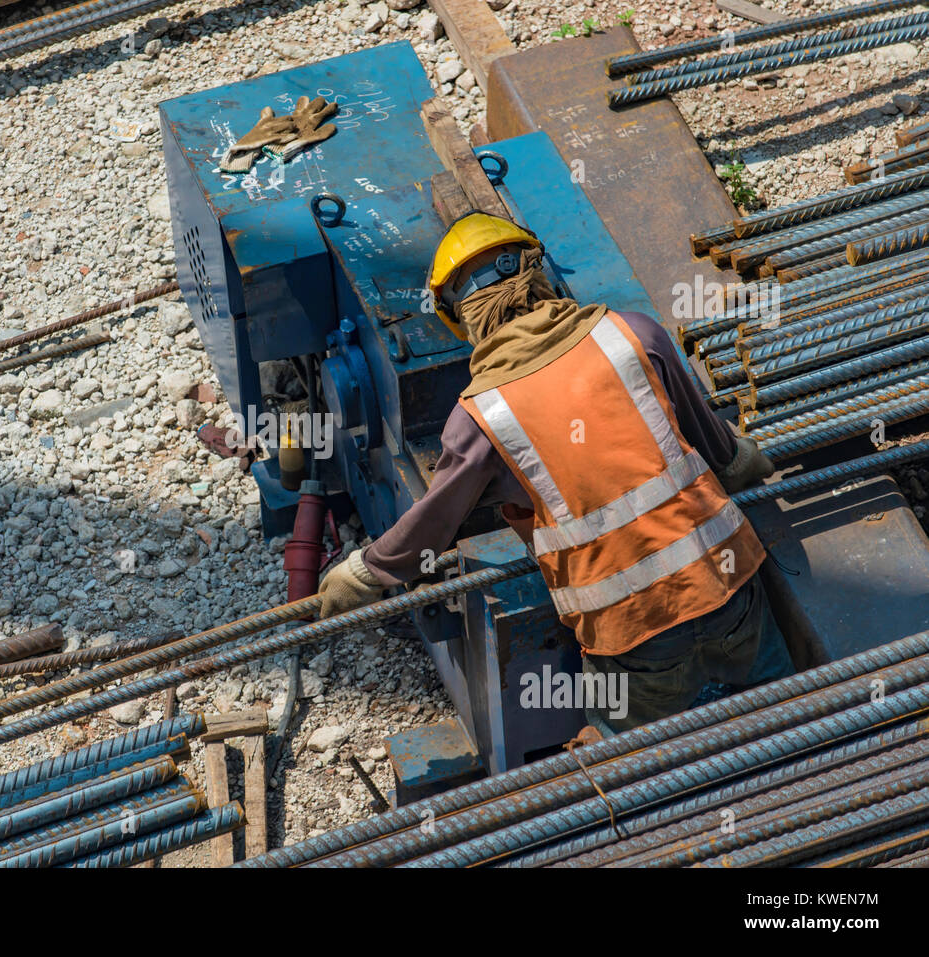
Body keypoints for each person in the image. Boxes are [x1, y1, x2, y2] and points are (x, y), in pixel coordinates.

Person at [317, 212, 793, 735]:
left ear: (461, 321)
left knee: (629, 770)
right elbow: (721, 453)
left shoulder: (480, 417)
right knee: (786, 720)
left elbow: (434, 523)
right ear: (539, 273)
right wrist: (750, 460)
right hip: (731, 590)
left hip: (632, 634)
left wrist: (366, 572)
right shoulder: (632, 335)